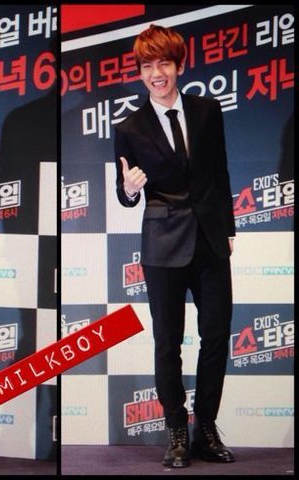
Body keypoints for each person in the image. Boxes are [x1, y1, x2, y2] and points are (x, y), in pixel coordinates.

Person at [115, 24, 235, 468]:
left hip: (209, 239)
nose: (157, 74)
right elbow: (124, 190)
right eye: (147, 66)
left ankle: (207, 426)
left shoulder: (208, 111)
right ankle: (176, 430)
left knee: (216, 335)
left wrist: (228, 229)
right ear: (140, 73)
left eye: (164, 63)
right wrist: (129, 190)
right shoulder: (129, 127)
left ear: (179, 65)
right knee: (167, 341)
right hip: (163, 242)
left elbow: (220, 172)